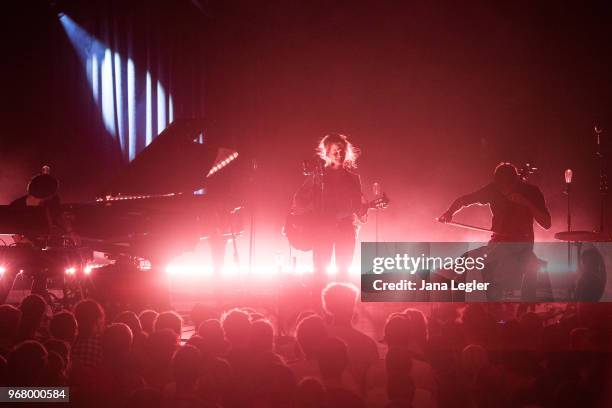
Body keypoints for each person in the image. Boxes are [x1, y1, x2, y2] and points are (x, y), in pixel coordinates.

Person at [438, 162, 551, 300]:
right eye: (500, 186)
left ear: (515, 181)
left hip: (520, 246)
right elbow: (465, 200)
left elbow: (546, 223)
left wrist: (526, 203)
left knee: (487, 271)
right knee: (464, 264)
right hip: (497, 243)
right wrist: (450, 212)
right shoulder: (494, 189)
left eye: (506, 186)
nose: (503, 190)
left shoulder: (531, 192)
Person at [291, 133, 367, 282]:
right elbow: (298, 201)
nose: (340, 154)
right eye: (335, 151)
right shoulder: (317, 176)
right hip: (321, 229)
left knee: (344, 273)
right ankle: (319, 301)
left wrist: (366, 209)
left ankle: (343, 302)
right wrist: (313, 210)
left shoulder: (353, 178)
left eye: (342, 151)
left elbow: (359, 207)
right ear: (326, 153)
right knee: (320, 272)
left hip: (345, 228)